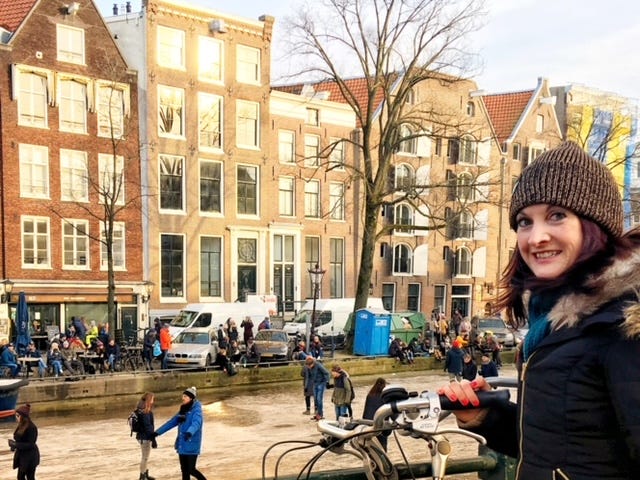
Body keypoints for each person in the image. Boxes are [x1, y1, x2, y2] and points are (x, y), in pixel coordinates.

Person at [438, 141, 640, 479]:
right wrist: (487, 418)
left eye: (557, 216)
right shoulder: (552, 329)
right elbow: (557, 450)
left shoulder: (623, 326)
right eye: (525, 221)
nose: (536, 237)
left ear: (595, 226)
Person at [154, 387, 207, 480]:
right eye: (183, 396)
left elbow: (197, 423)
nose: (183, 398)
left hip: (191, 443)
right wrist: (157, 433)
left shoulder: (197, 410)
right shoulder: (183, 410)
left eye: (185, 396)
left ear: (191, 398)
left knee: (191, 469)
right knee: (184, 470)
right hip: (182, 444)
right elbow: (171, 422)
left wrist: (189, 432)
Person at [8, 404, 39, 480]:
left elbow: (31, 444)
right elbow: (19, 438)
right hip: (22, 456)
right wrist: (13, 445)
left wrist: (16, 445)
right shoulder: (21, 425)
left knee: (30, 477)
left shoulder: (32, 427)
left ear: (23, 417)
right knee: (20, 477)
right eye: (16, 415)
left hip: (31, 456)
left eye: (18, 416)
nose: (16, 417)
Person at [362, 378, 390, 451]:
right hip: (381, 424)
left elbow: (366, 410)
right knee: (383, 445)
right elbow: (388, 411)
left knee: (371, 445)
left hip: (369, 423)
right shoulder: (385, 397)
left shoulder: (370, 395)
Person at [135, 392, 157, 480]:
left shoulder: (139, 409)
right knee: (145, 457)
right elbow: (148, 427)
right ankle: (142, 476)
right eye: (152, 399)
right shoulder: (145, 412)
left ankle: (145, 474)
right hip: (145, 437)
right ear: (149, 400)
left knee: (145, 457)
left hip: (141, 436)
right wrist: (153, 439)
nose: (153, 401)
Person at [303, 356, 330, 421]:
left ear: (312, 364)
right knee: (315, 399)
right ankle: (318, 414)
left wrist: (327, 381)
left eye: (309, 366)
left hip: (321, 383)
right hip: (315, 383)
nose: (309, 367)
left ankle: (320, 414)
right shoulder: (309, 367)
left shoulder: (318, 365)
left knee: (319, 399)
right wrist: (306, 386)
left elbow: (326, 372)